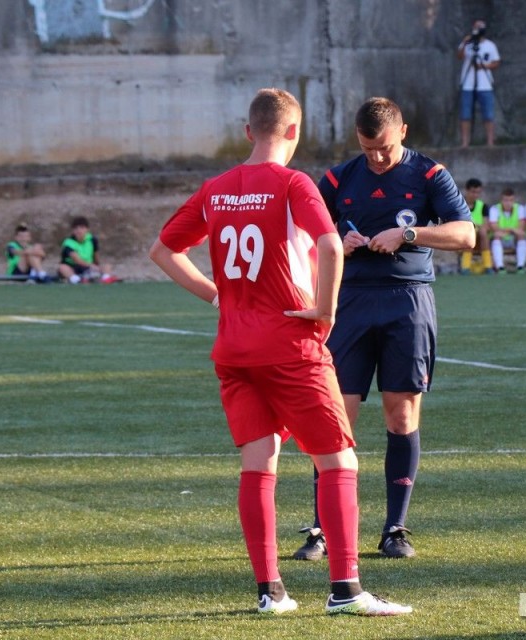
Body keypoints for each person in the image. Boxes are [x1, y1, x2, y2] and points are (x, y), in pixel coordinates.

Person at [148, 88, 412, 616]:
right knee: (339, 460)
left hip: (234, 348)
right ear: (294, 132)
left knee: (258, 463)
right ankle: (345, 591)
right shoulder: (294, 183)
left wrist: (217, 294)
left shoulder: (217, 188)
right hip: (289, 343)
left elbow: (162, 250)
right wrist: (326, 309)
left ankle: (271, 591)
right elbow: (332, 244)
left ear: (249, 132)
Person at [295, 97, 475, 561]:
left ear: (403, 132)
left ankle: (395, 527)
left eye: (385, 148)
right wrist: (338, 242)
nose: (376, 157)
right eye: (367, 148)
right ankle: (321, 529)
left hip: (407, 301)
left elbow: (465, 235)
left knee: (401, 415)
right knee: (337, 418)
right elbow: (301, 235)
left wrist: (409, 234)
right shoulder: (338, 178)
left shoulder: (430, 175)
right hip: (349, 303)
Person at [456, 19, 500, 147]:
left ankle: (490, 142)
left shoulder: (490, 45)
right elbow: (459, 56)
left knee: (488, 114)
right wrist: (464, 42)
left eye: (480, 27)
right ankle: (465, 143)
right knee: (465, 114)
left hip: (485, 85)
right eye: (476, 27)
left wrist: (483, 66)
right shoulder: (468, 44)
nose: (478, 29)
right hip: (467, 85)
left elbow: (496, 62)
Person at [58, 216, 118, 284]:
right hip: (74, 267)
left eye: (82, 228)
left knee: (107, 266)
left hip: (89, 267)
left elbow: (95, 256)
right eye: (76, 228)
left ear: (87, 229)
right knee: (62, 267)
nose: (79, 230)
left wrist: (97, 267)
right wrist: (90, 266)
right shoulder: (68, 243)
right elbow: (77, 260)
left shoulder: (92, 240)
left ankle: (105, 278)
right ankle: (77, 280)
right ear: (73, 231)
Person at [458, 178, 491, 274]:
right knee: (471, 232)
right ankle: (465, 267)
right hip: (464, 236)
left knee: (483, 231)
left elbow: (486, 224)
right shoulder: (459, 204)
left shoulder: (483, 206)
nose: (475, 195)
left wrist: (476, 226)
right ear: (467, 190)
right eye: (473, 192)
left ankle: (488, 266)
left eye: (478, 192)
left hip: (480, 237)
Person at [487, 187, 523, 273]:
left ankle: (520, 266)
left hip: (514, 238)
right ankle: (500, 267)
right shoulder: (494, 209)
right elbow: (494, 227)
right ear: (501, 200)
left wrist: (507, 230)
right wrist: (512, 229)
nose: (508, 203)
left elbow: (521, 228)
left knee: (521, 236)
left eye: (511, 200)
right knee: (496, 236)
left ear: (514, 200)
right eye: (506, 200)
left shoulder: (520, 208)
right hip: (501, 238)